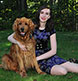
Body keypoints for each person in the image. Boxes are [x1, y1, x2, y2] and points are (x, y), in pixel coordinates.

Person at [8, 5, 78, 75]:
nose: (44, 15)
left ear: (49, 16)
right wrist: (19, 44)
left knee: (76, 68)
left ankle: (66, 63)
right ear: (39, 14)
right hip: (35, 56)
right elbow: (10, 37)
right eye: (42, 12)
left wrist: (37, 58)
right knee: (63, 71)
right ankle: (60, 66)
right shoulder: (31, 26)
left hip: (47, 55)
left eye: (47, 13)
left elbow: (53, 51)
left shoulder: (50, 29)